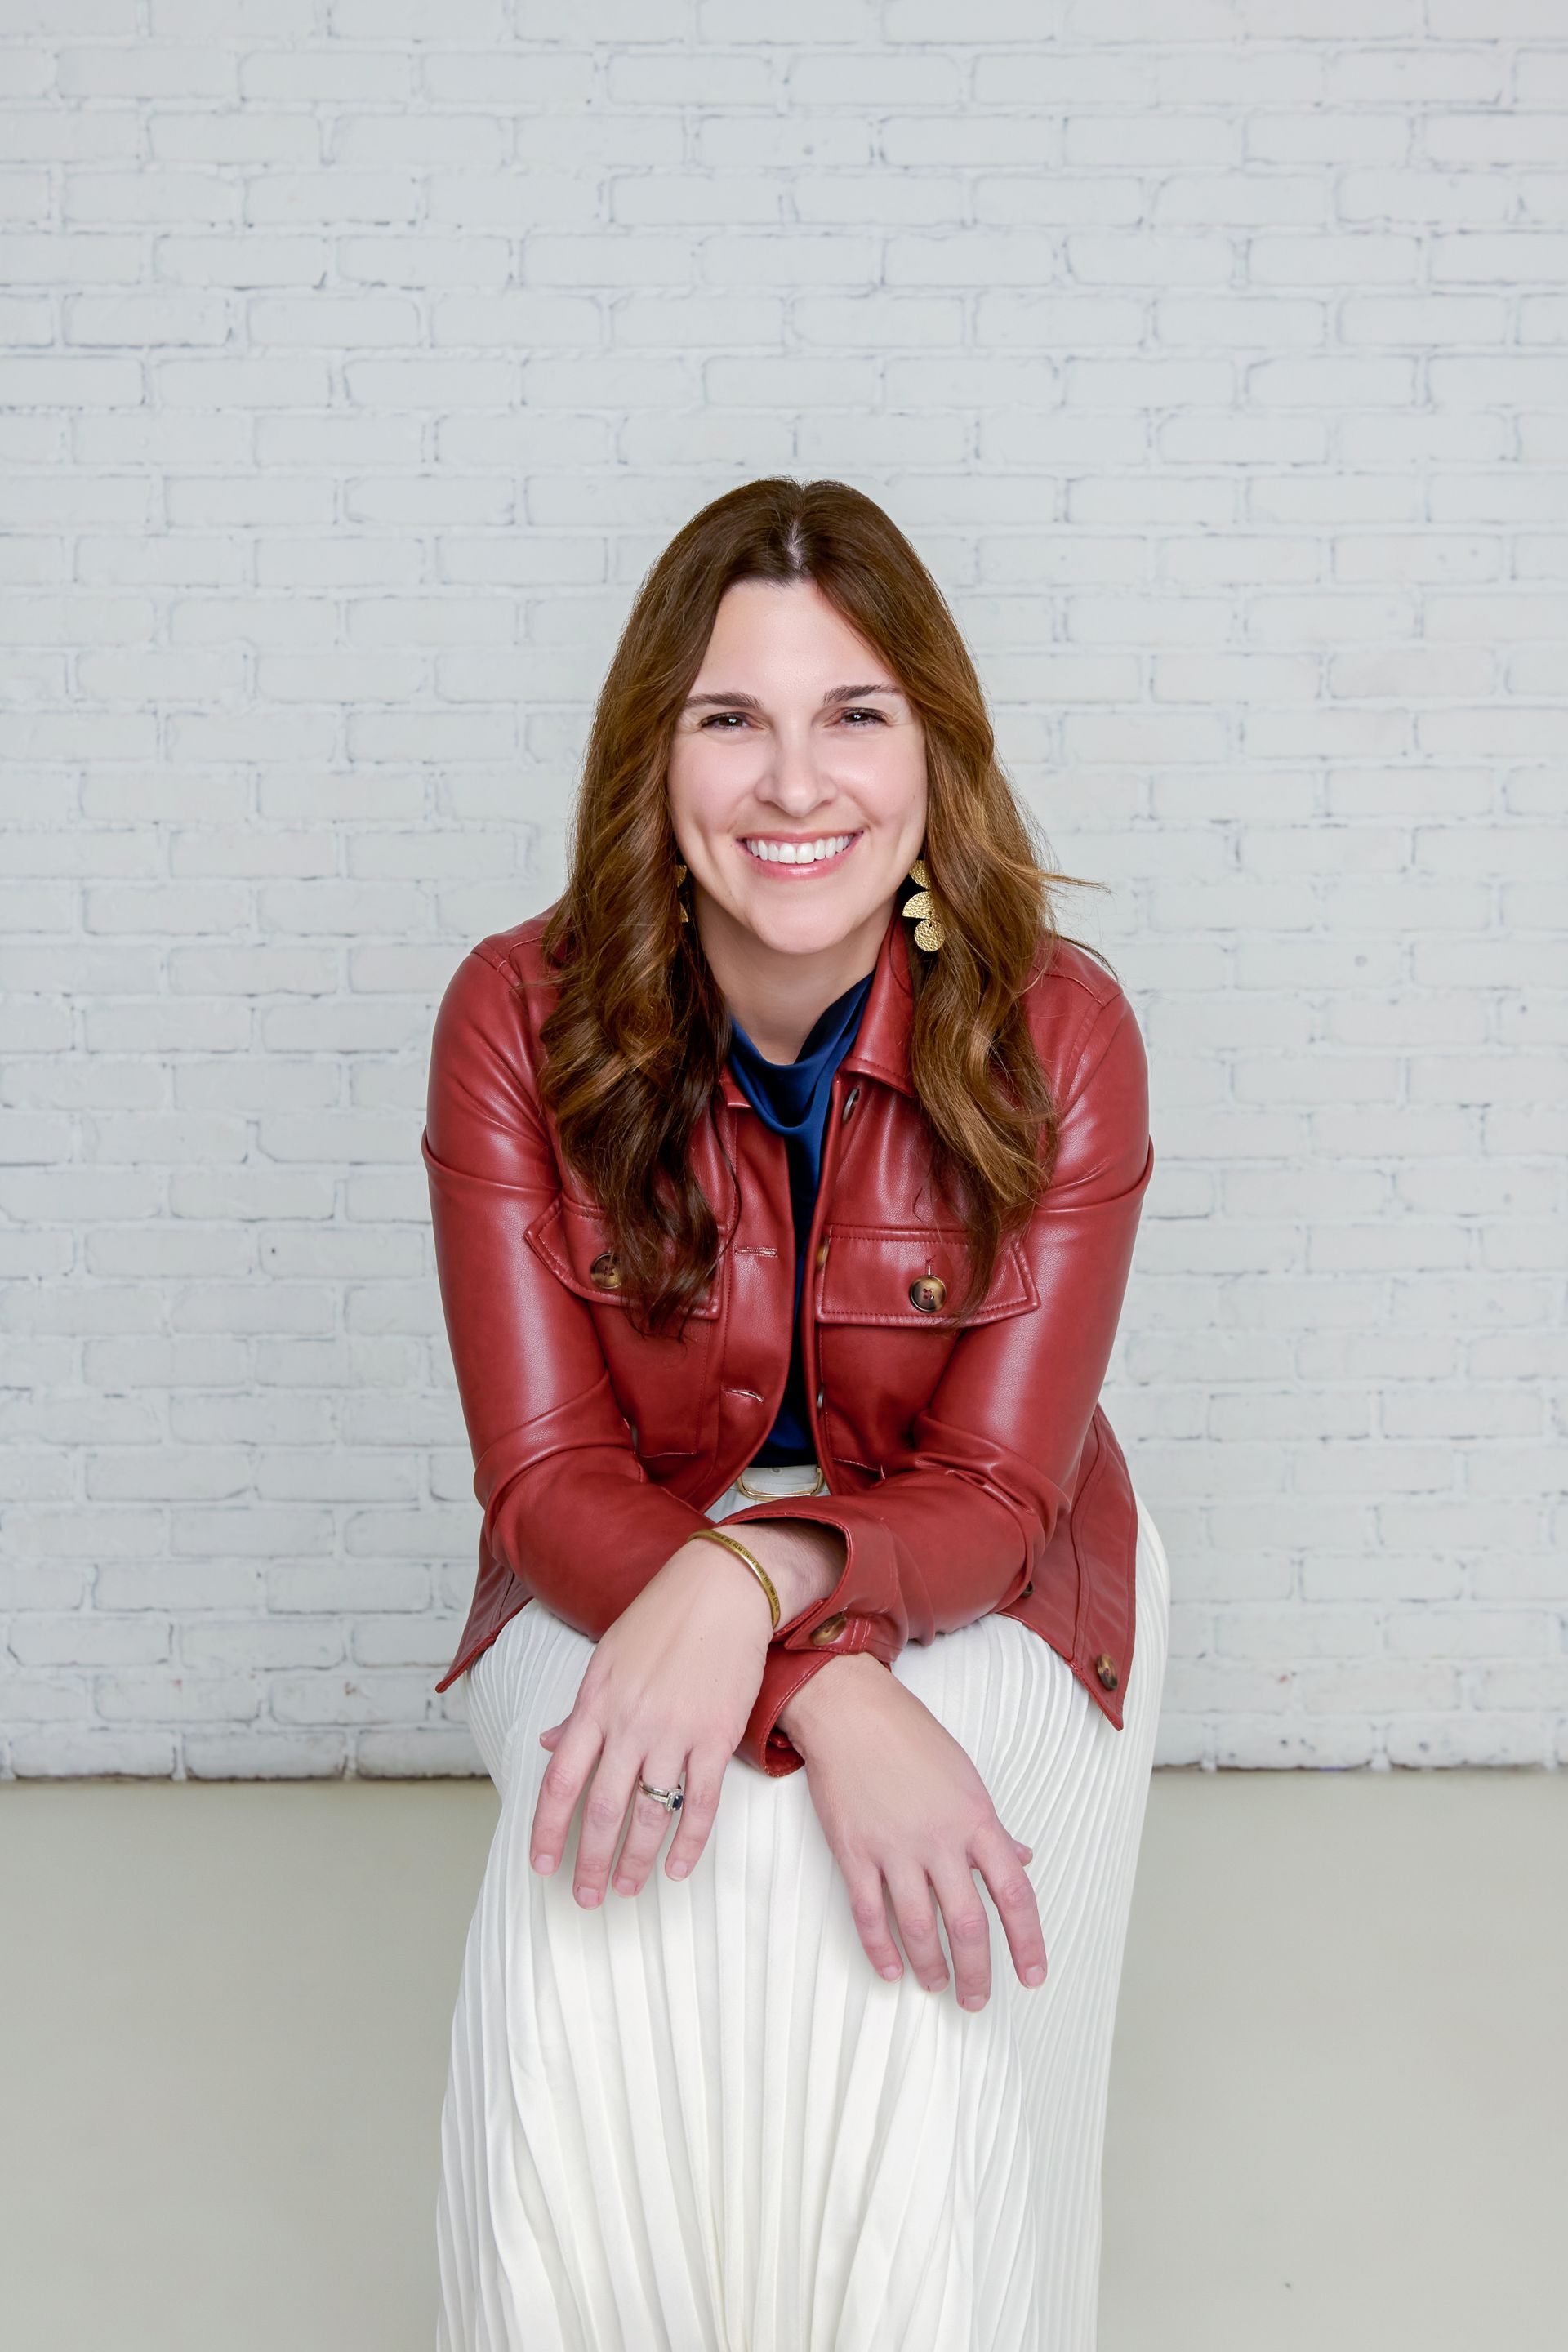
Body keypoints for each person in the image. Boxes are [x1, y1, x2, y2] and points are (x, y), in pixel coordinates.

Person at [424, 476, 1170, 2352]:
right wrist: (827, 1681)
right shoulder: (515, 1015)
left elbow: (1001, 1485)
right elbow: (542, 1477)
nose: (793, 784)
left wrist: (758, 1599)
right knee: (584, 1939)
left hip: (993, 1578)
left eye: (854, 716)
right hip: (615, 1553)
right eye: (729, 719)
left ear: (934, 750)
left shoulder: (1064, 1030)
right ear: (651, 759)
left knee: (908, 1958)